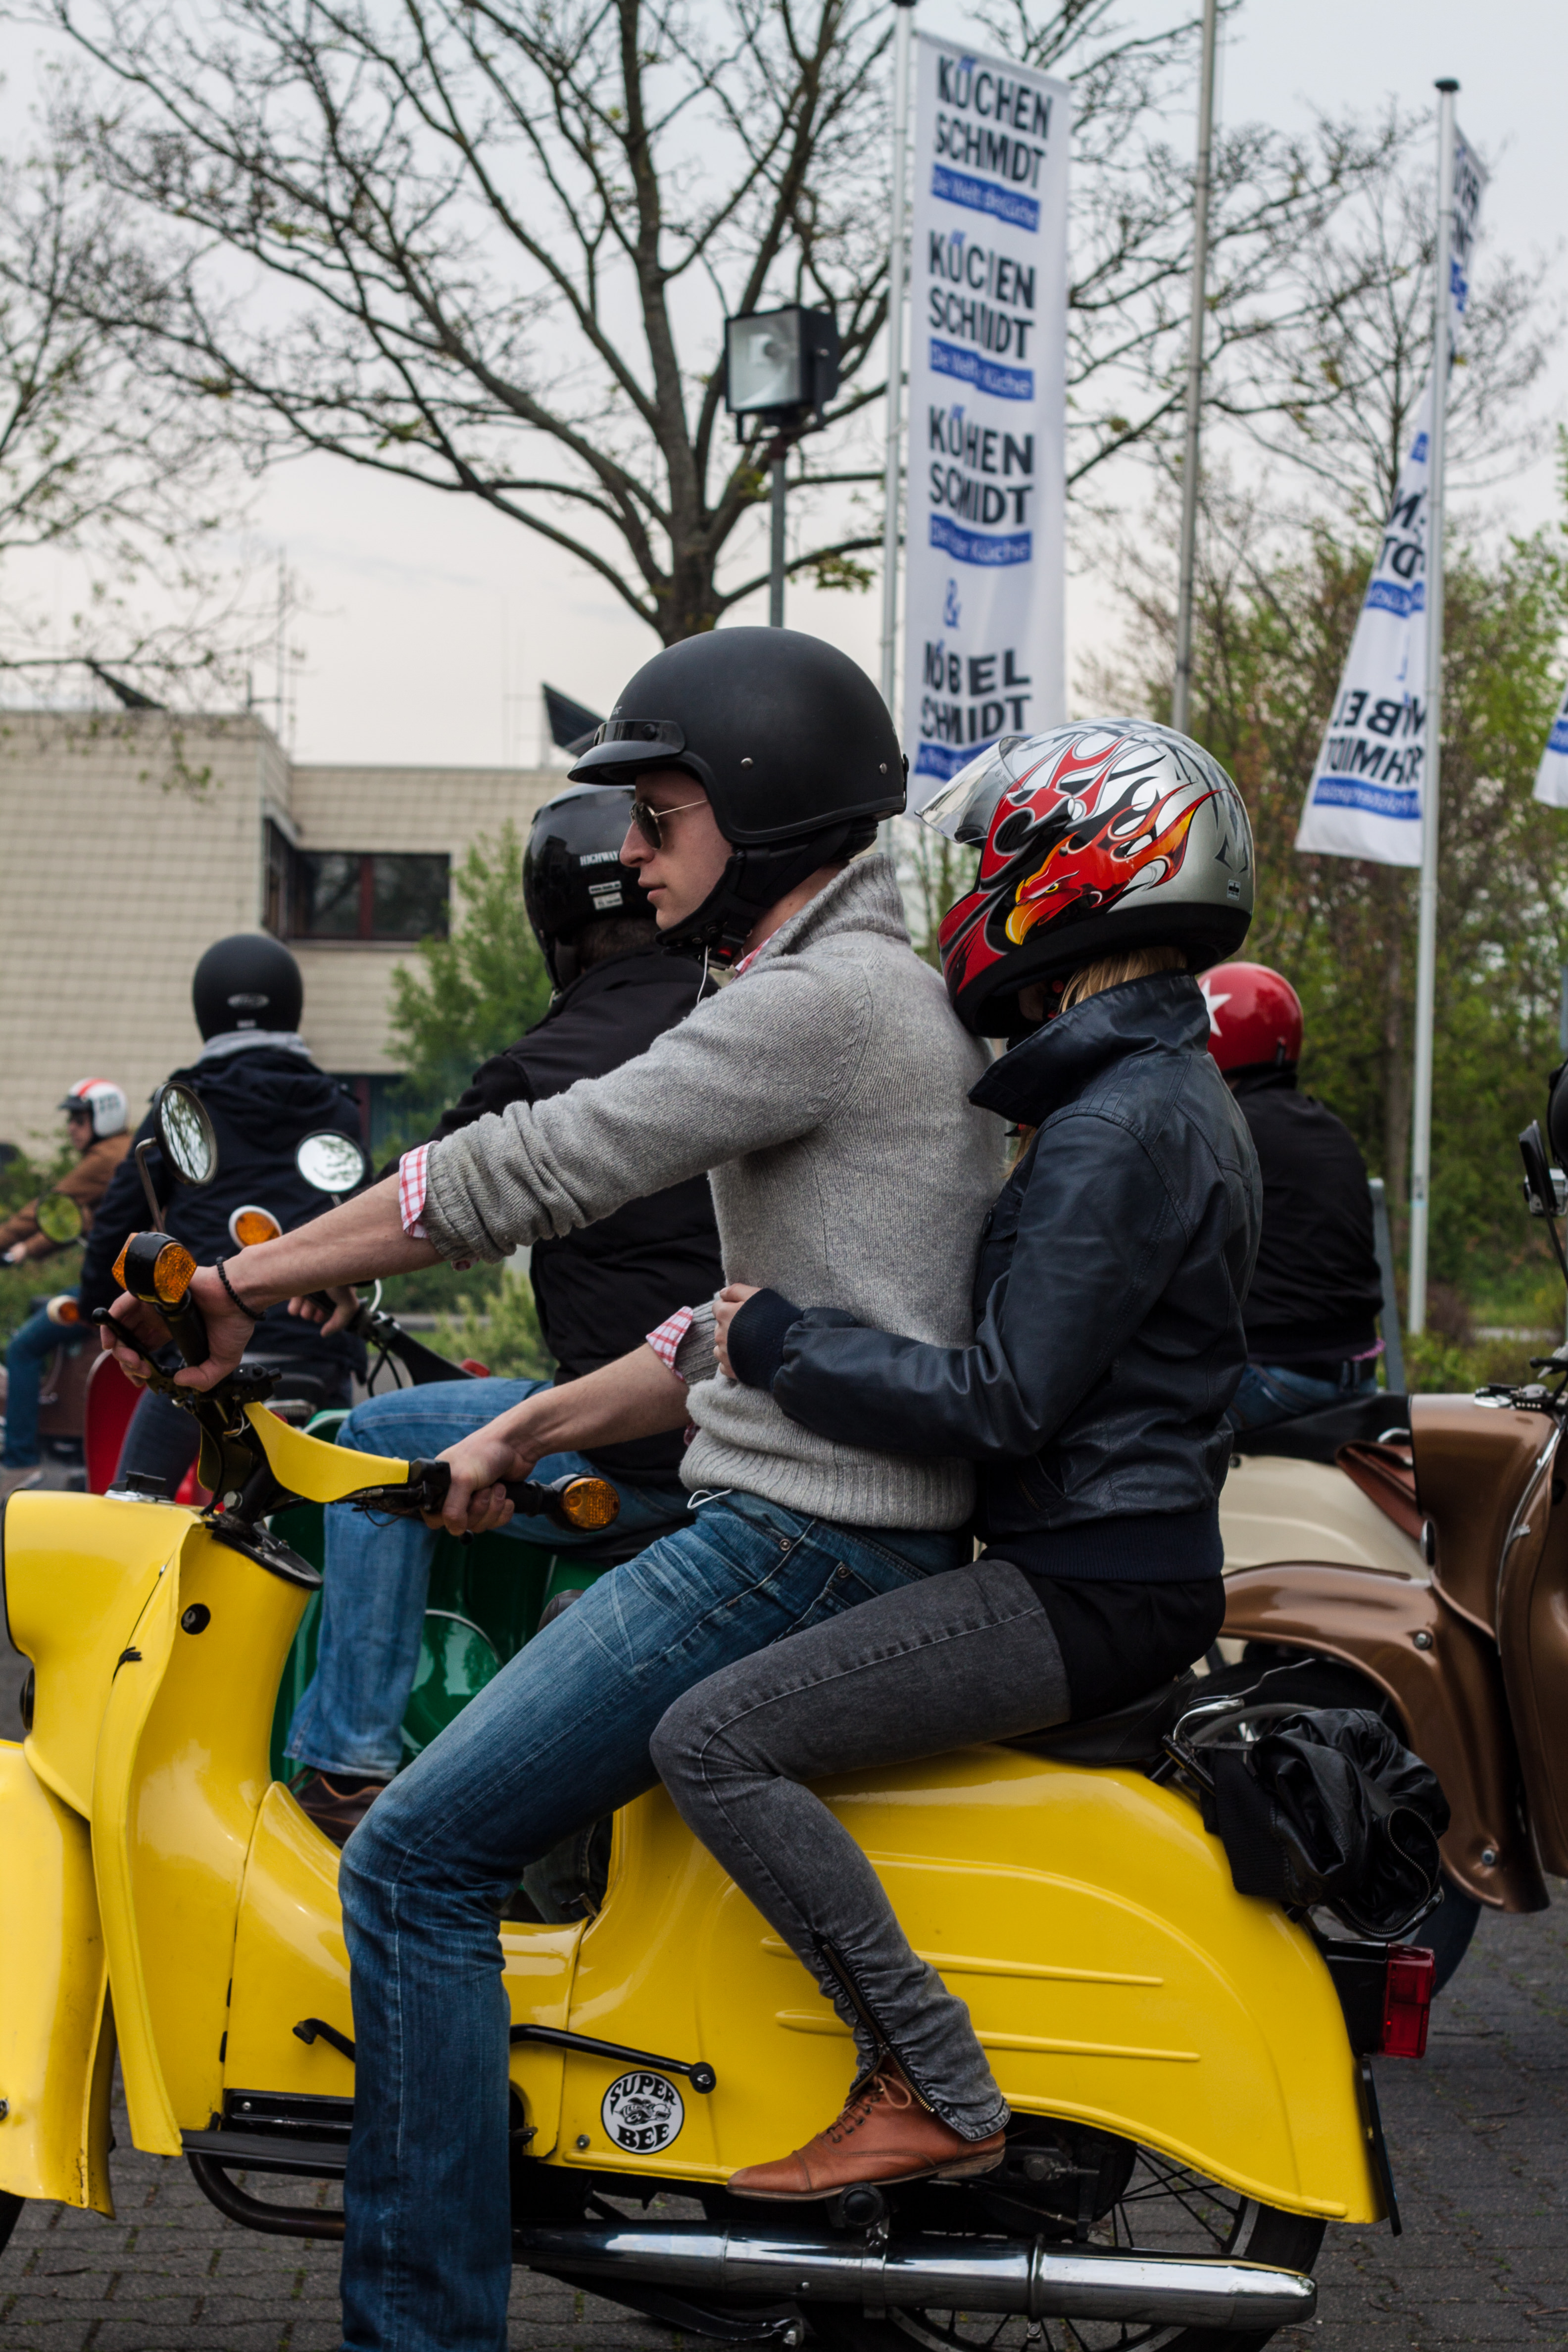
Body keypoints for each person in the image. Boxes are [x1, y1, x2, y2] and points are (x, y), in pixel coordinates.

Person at [103, 625, 1006, 2352]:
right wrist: (523, 1432)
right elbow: (729, 1332)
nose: (633, 855)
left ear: (760, 812)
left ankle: (421, 2330)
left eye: (659, 816)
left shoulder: (823, 1001)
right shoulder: (858, 993)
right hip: (818, 1511)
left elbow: (531, 1167)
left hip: (803, 1538)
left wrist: (237, 1281)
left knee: (411, 1864)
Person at [648, 720, 1262, 2199]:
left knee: (710, 1738)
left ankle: (932, 2077)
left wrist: (777, 1340)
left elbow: (1002, 1398)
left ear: (1080, 873)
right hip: (1113, 1563)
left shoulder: (1121, 1123)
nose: (974, 889)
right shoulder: (1151, 1091)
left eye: (998, 858)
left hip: (1087, 1581)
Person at [284, 783, 725, 1847]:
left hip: (628, 1451)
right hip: (746, 1428)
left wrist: (297, 1271)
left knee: (371, 1442)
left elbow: (431, 1196)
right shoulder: (739, 1020)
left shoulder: (546, 1061)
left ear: (555, 920)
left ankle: (346, 1767)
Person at [82, 934, 367, 1493]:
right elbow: (358, 1220)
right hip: (315, 1349)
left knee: (133, 1507)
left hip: (199, 1345)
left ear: (205, 1008)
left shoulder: (183, 1104)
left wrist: (100, 1306)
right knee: (335, 1510)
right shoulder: (338, 1107)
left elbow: (119, 1219)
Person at [1202, 961, 1385, 1430]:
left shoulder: (1227, 1128)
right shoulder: (1329, 1127)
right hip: (1357, 1374)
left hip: (1276, 1376)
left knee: (1121, 1422)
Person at [0, 1078, 131, 1500]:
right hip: (129, 1283)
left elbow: (48, 1207)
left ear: (103, 1116)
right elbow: (71, 1221)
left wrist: (6, 1240)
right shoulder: (126, 1151)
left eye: (79, 1118)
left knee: (23, 1348)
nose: (71, 1128)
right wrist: (28, 1251)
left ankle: (20, 1459)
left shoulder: (104, 1158)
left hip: (111, 1288)